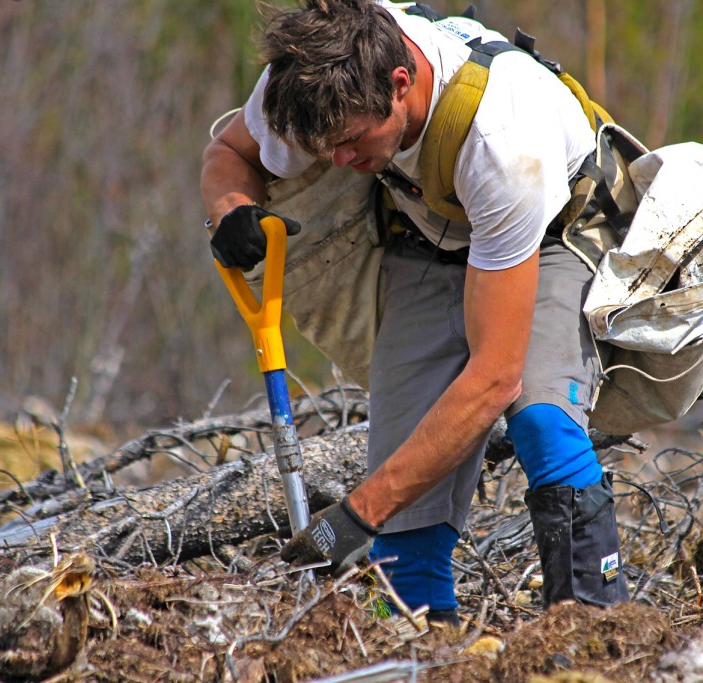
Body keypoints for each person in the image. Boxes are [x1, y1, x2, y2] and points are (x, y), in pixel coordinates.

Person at [200, 0, 628, 626]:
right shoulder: (310, 82)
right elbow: (227, 152)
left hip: (549, 234)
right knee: (404, 475)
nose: (338, 161)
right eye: (325, 149)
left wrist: (351, 519)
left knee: (539, 416)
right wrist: (231, 208)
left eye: (351, 143)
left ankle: (592, 626)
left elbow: (492, 380)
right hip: (430, 232)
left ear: (401, 82)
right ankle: (424, 642)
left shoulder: (504, 143)